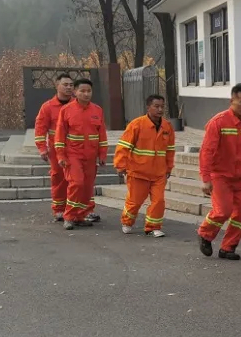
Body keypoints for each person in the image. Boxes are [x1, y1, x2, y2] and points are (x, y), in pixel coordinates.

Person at [197, 83, 241, 260]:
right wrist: (206, 179)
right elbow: (207, 151)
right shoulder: (218, 122)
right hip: (220, 176)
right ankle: (205, 234)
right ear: (232, 101)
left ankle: (228, 247)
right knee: (223, 211)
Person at [115, 94, 176, 238]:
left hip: (159, 173)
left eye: (162, 106)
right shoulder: (136, 124)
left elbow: (170, 150)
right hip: (138, 172)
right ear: (148, 107)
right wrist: (121, 166)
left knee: (159, 201)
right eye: (156, 106)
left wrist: (169, 168)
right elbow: (123, 146)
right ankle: (127, 222)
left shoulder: (167, 126)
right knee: (135, 202)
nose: (160, 109)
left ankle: (153, 226)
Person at [54, 78, 108, 230]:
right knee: (76, 183)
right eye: (82, 91)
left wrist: (102, 155)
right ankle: (69, 216)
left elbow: (101, 135)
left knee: (87, 187)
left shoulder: (97, 110)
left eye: (89, 91)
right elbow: (59, 135)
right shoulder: (66, 110)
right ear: (75, 92)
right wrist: (61, 156)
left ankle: (80, 215)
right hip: (73, 155)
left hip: (90, 156)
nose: (86, 94)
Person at [33, 73, 75, 222]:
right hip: (56, 150)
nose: (69, 87)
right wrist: (42, 148)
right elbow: (40, 129)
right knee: (59, 178)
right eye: (65, 85)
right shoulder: (48, 107)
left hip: (76, 149)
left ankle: (80, 209)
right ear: (57, 86)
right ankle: (59, 209)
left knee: (79, 180)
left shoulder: (77, 105)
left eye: (71, 85)